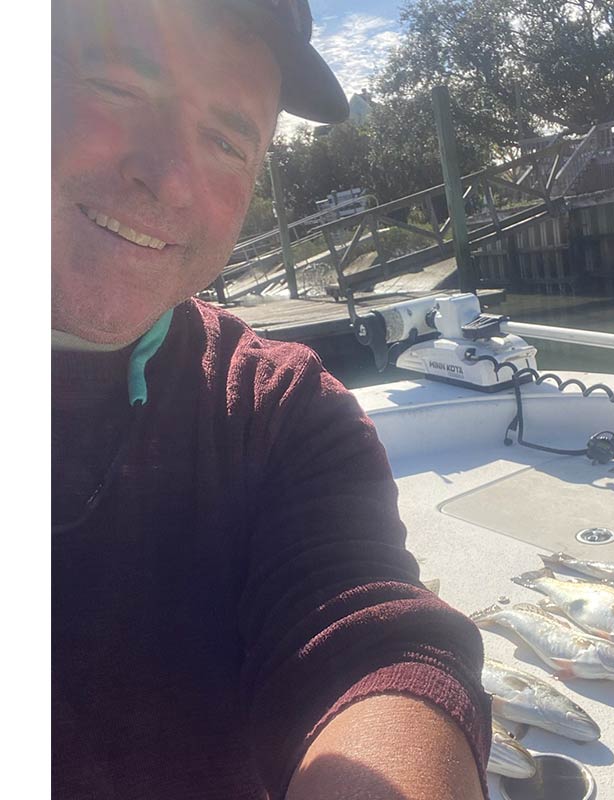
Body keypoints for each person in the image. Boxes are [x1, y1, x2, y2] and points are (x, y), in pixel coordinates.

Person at [51, 2, 492, 798]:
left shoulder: (276, 409)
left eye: (225, 140)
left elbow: (370, 640)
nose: (171, 176)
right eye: (117, 86)